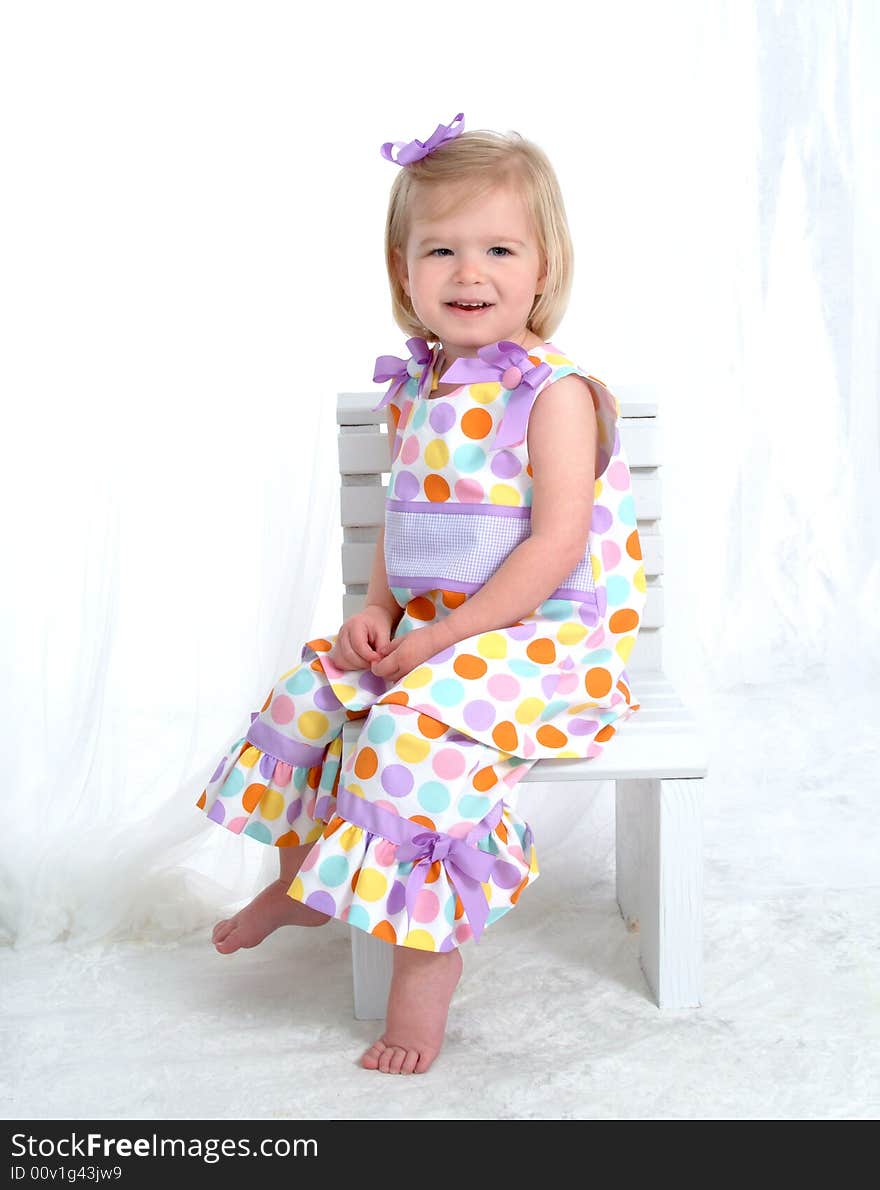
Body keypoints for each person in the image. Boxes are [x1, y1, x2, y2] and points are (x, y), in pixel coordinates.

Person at [196, 112, 648, 1075]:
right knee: (313, 690)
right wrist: (376, 612)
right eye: (440, 249)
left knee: (407, 738)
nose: (468, 273)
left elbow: (556, 544)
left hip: (553, 639)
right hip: (447, 631)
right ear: (404, 272)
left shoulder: (554, 392)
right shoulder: (418, 389)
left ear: (544, 268)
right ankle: (301, 886)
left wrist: (443, 644)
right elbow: (404, 530)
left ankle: (417, 1004)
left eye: (497, 249)